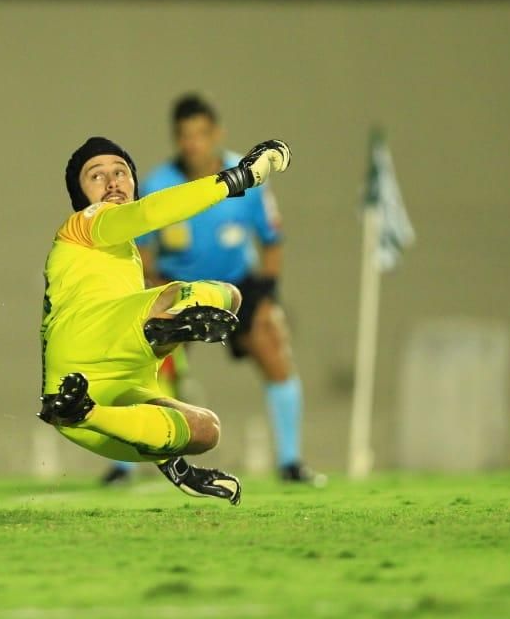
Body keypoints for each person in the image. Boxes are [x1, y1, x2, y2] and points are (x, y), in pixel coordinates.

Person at [38, 135, 291, 505]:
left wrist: (178, 469)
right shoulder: (86, 223)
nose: (112, 182)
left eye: (121, 172)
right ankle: (166, 330)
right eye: (96, 175)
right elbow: (149, 213)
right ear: (80, 195)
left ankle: (87, 410)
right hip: (83, 357)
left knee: (207, 429)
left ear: (134, 182)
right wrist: (234, 180)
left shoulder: (125, 255)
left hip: (91, 413)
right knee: (215, 295)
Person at [124, 95, 316, 484]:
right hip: (183, 289)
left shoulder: (248, 177)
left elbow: (272, 239)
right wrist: (157, 292)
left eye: (201, 134)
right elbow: (141, 250)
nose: (193, 143)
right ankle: (121, 466)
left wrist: (267, 292)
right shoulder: (159, 185)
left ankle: (291, 462)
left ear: (216, 134)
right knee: (139, 363)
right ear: (176, 140)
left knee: (273, 344)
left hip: (235, 287)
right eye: (185, 136)